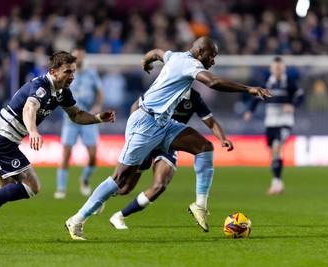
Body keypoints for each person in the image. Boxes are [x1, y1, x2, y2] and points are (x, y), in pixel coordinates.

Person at [65, 36, 271, 240]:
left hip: (164, 123)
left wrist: (146, 60)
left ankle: (200, 205)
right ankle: (77, 219)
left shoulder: (176, 56)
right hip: (145, 123)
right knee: (120, 180)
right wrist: (249, 89)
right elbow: (214, 82)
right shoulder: (190, 64)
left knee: (205, 147)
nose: (214, 61)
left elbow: (156, 52)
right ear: (200, 52)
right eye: (212, 55)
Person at [0, 51, 116, 243]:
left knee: (4, 190)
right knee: (33, 186)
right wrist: (33, 131)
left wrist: (97, 118)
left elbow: (76, 115)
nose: (72, 76)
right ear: (53, 72)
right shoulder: (41, 86)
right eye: (67, 72)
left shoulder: (63, 93)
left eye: (73, 72)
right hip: (2, 138)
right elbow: (30, 108)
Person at [109, 88, 234, 229]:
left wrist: (223, 139)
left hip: (169, 143)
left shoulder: (194, 97)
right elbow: (136, 105)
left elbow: (211, 122)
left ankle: (119, 216)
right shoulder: (165, 87)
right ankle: (101, 198)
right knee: (125, 188)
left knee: (160, 185)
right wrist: (133, 133)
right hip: (147, 138)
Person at [243, 56, 304, 195]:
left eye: (279, 67)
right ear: (271, 69)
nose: (277, 69)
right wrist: (250, 111)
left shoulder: (290, 82)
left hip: (285, 122)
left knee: (277, 147)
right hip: (270, 122)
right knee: (273, 152)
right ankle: (278, 182)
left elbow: (301, 97)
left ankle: (276, 182)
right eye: (275, 67)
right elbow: (257, 98)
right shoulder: (267, 83)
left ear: (284, 68)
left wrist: (292, 105)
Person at [54, 47, 104, 199]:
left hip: (87, 117)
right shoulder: (66, 74)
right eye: (76, 57)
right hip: (70, 119)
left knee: (93, 156)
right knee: (66, 153)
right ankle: (61, 188)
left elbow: (99, 92)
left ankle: (85, 178)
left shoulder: (92, 73)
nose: (79, 59)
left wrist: (98, 106)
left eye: (81, 56)